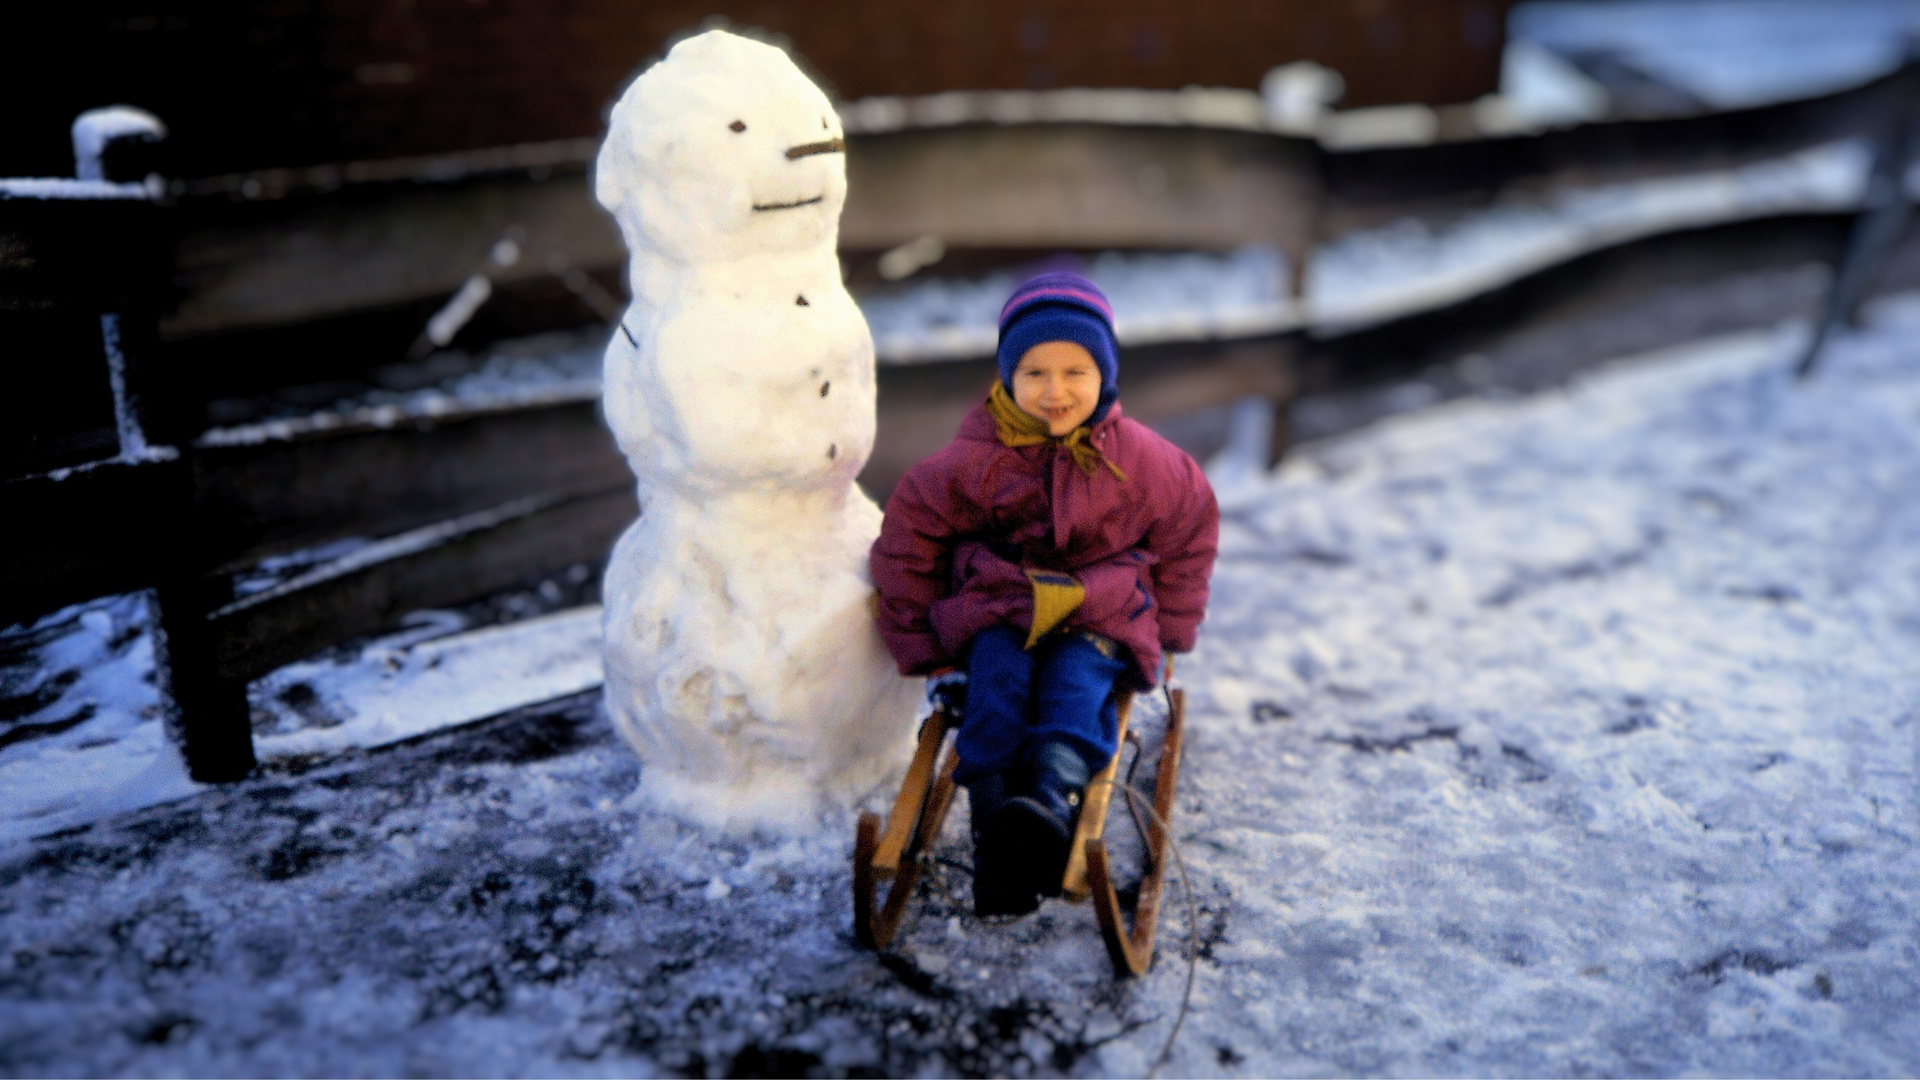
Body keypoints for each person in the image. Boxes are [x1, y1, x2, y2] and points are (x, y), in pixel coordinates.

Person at [869, 271, 1220, 915]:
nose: (1055, 392)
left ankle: (1051, 800)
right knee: (996, 683)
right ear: (1007, 376)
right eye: (1034, 373)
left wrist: (1170, 631)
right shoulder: (974, 459)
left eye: (1075, 373)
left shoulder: (1146, 462)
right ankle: (995, 815)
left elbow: (1188, 532)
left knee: (1076, 684)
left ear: (1105, 376)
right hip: (1000, 607)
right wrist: (924, 643)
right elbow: (908, 541)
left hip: (1100, 613)